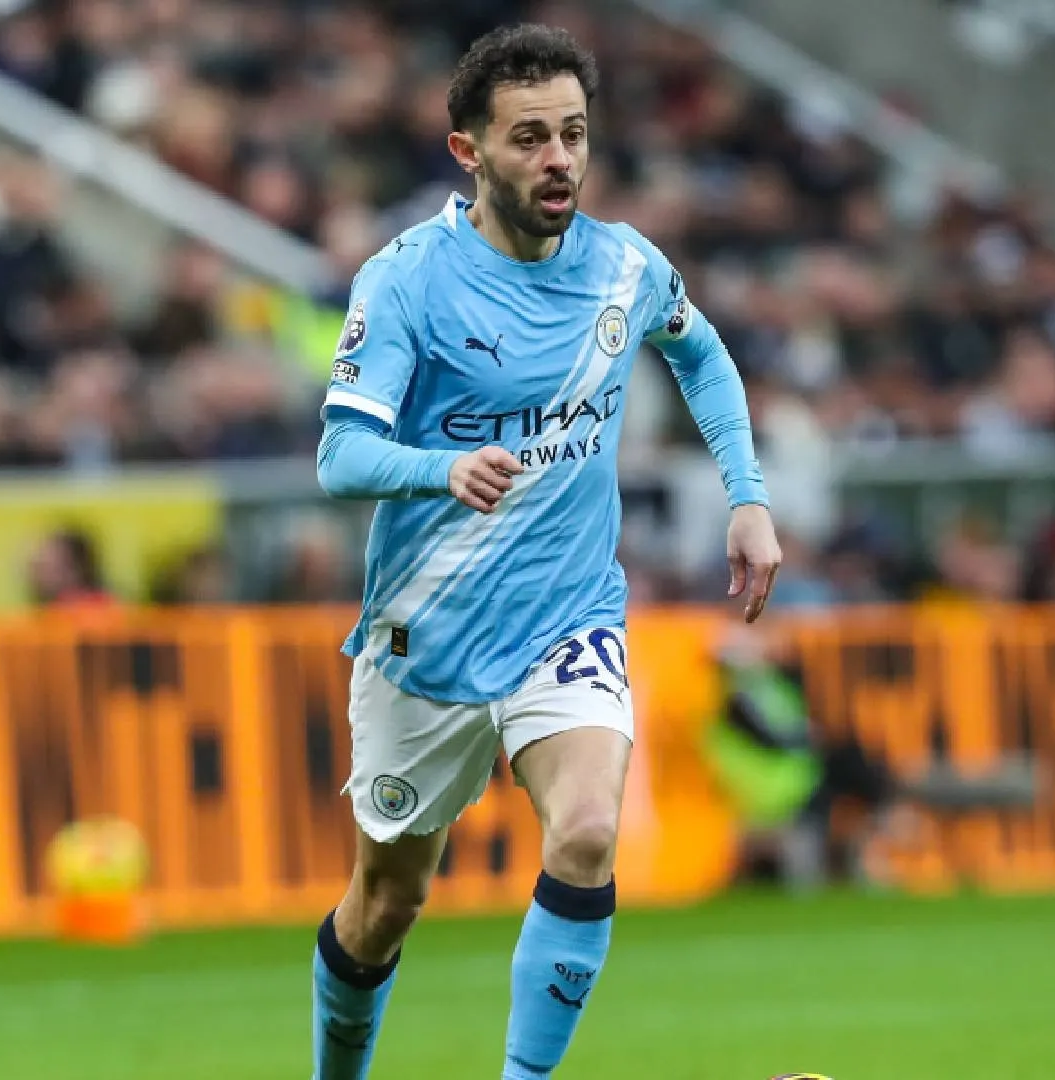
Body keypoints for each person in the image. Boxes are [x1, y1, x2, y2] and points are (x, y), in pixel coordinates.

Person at [310, 24, 782, 1080]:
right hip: (425, 636)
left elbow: (701, 353)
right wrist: (440, 468)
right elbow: (341, 456)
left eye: (573, 133)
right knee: (385, 906)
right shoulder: (407, 281)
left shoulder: (624, 266)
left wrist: (747, 496)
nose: (559, 158)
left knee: (585, 833)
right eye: (529, 138)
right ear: (468, 150)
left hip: (567, 622)